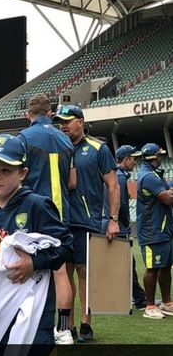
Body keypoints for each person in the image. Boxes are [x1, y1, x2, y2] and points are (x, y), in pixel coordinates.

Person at [0, 134, 73, 346]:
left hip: (34, 305)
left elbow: (66, 246)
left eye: (5, 170)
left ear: (22, 173)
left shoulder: (37, 206)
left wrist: (34, 262)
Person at [53, 105, 120, 342]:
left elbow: (113, 185)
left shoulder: (98, 148)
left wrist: (112, 220)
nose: (63, 125)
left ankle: (86, 324)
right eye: (60, 121)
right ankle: (67, 326)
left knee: (84, 273)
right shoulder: (57, 149)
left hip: (87, 221)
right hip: (61, 222)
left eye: (67, 121)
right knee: (64, 273)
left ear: (80, 121)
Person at [17, 93, 76, 344]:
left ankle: (26, 326)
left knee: (26, 271)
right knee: (61, 272)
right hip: (61, 214)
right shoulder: (66, 139)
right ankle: (63, 330)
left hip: (33, 213)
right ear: (50, 113)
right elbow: (72, 182)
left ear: (27, 115)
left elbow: (19, 178)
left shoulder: (23, 138)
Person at [102, 145, 147, 311]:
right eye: (132, 158)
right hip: (118, 228)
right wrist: (123, 225)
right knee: (128, 266)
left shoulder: (119, 176)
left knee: (125, 266)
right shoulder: (119, 177)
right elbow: (118, 205)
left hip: (116, 226)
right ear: (126, 159)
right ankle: (140, 300)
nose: (134, 162)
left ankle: (136, 298)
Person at [136, 143, 173, 319]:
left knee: (165, 266)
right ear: (155, 158)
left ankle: (167, 302)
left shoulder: (154, 174)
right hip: (152, 231)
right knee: (153, 268)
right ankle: (150, 306)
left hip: (163, 229)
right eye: (160, 155)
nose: (161, 158)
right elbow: (167, 199)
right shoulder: (148, 176)